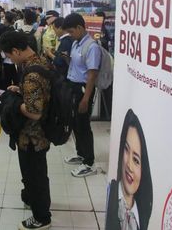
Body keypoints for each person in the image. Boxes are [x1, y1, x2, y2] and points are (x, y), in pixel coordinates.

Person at [0, 31, 52, 230]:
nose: (10, 59)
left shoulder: (31, 74)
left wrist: (14, 105)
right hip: (40, 134)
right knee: (37, 174)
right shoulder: (40, 61)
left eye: (9, 55)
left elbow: (34, 112)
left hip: (32, 136)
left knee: (34, 176)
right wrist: (20, 91)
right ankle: (35, 200)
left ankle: (42, 218)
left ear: (16, 50)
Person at [62, 13, 101, 177]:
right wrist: (66, 59)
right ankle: (81, 154)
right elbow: (76, 66)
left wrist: (86, 99)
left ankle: (89, 162)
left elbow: (92, 75)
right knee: (75, 123)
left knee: (83, 125)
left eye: (71, 32)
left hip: (83, 89)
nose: (70, 35)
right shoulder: (76, 43)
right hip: (73, 86)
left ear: (79, 27)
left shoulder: (92, 47)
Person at [106, 109, 152, 230]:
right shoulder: (111, 193)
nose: (129, 166)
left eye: (136, 160)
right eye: (126, 149)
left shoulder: (143, 214)